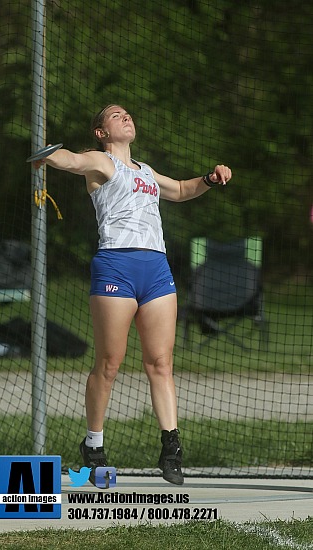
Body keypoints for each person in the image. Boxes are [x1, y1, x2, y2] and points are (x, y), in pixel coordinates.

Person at [34, 104, 232, 486]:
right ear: (100, 132)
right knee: (110, 362)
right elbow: (70, 160)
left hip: (156, 270)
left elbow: (181, 190)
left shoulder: (146, 172)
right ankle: (93, 445)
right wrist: (45, 155)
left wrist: (209, 178)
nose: (126, 117)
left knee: (160, 362)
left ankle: (171, 448)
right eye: (115, 115)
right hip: (116, 267)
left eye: (127, 114)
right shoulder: (100, 162)